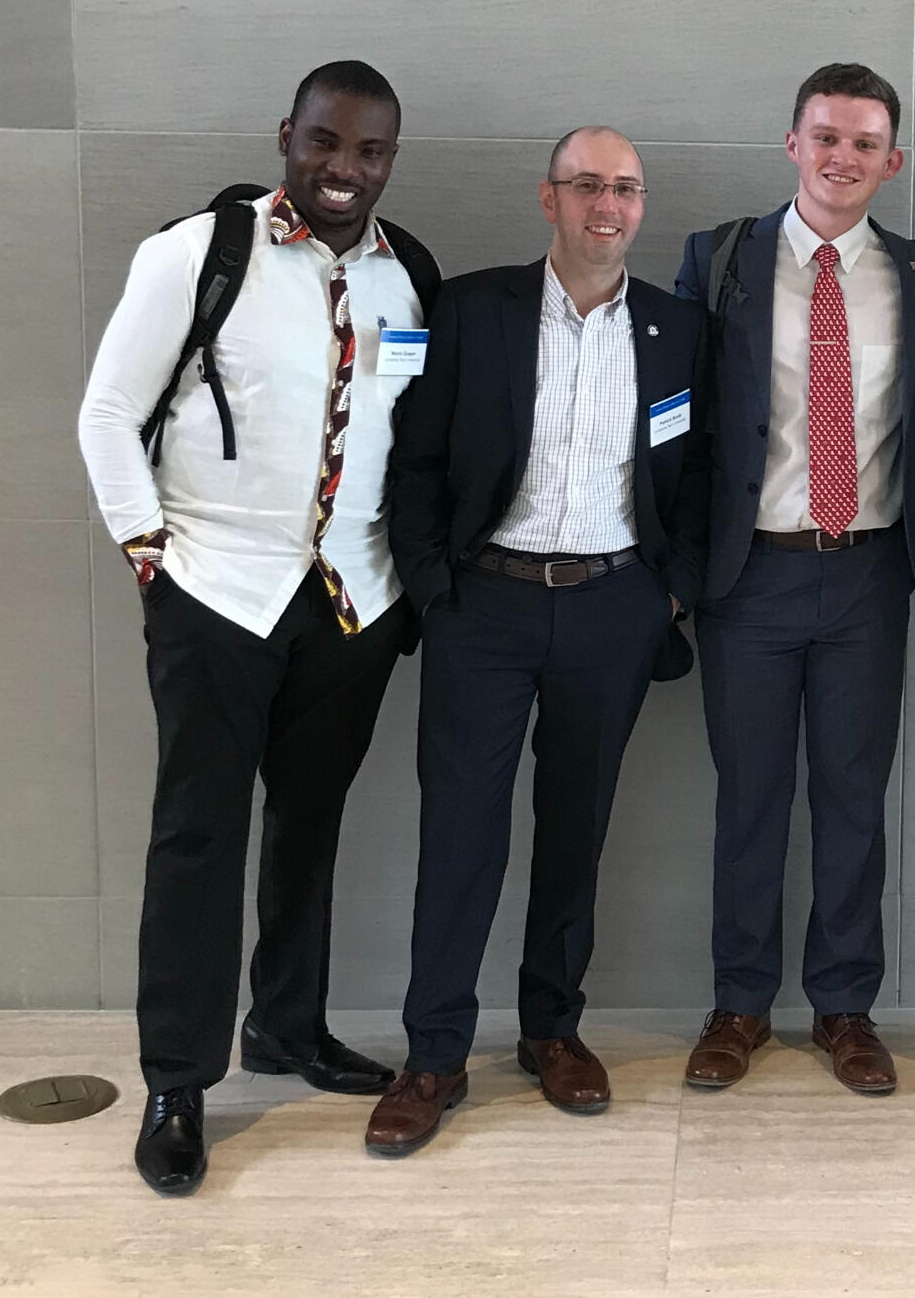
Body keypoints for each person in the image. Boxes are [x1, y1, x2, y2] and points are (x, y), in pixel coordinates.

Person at [78, 60, 425, 1196]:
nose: (343, 168)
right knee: (199, 834)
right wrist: (149, 553)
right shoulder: (199, 253)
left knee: (311, 824)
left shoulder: (406, 275)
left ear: (390, 159)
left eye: (368, 150)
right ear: (288, 135)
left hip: (351, 601)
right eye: (325, 141)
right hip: (215, 591)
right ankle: (178, 1081)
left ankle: (287, 1023)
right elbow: (107, 412)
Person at [365, 127, 708, 1156]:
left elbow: (699, 474)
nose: (609, 205)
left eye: (626, 188)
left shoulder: (677, 328)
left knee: (575, 828)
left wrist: (668, 595)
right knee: (459, 834)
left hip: (612, 606)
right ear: (548, 197)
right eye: (587, 184)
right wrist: (436, 591)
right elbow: (415, 460)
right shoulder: (475, 310)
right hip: (487, 607)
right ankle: (434, 1055)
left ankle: (552, 1030)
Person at [672, 62, 915, 1096]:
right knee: (750, 796)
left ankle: (845, 1005)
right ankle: (739, 1003)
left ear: (893, 161)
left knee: (854, 795)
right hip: (750, 573)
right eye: (826, 136)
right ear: (792, 143)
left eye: (864, 143)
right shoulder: (722, 259)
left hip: (869, 574)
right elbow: (683, 421)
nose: (843, 157)